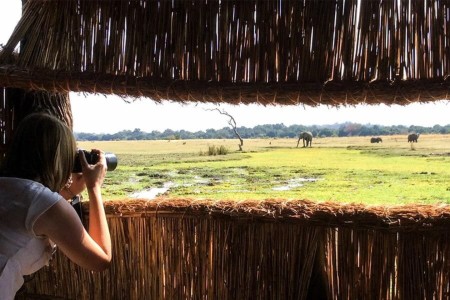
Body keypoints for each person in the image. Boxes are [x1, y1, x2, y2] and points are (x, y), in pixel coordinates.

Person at [0, 112, 112, 299]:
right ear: (58, 159)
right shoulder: (43, 203)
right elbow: (101, 260)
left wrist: (67, 192)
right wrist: (94, 187)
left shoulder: (10, 188)